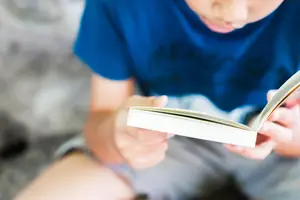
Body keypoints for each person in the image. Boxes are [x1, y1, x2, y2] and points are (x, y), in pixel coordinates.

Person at [14, 0, 300, 200]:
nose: (233, 13)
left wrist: (289, 138)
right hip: (169, 139)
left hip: (282, 156)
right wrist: (118, 138)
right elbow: (101, 122)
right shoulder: (122, 5)